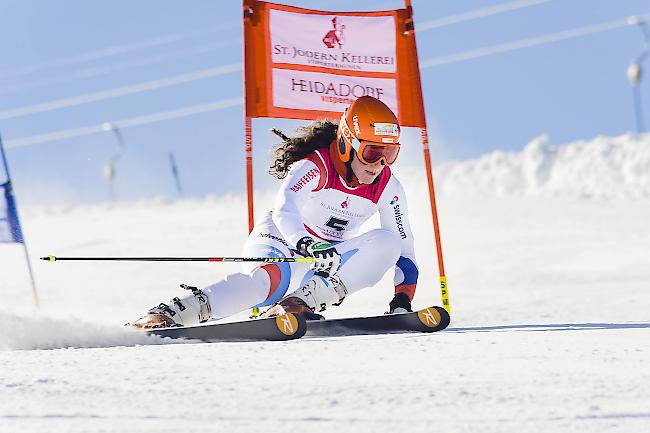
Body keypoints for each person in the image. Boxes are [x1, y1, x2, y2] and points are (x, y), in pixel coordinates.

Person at [130, 96, 419, 329]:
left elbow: (404, 249)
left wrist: (402, 301)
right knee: (267, 283)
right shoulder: (314, 166)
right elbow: (285, 210)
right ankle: (172, 315)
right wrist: (306, 243)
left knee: (387, 242)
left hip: (325, 257)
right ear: (346, 144)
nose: (379, 163)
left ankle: (299, 303)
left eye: (390, 153)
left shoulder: (388, 187)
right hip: (280, 239)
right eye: (371, 152)